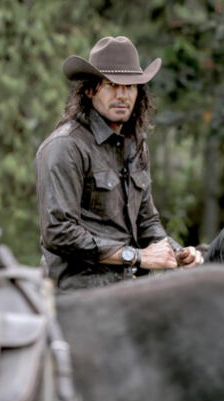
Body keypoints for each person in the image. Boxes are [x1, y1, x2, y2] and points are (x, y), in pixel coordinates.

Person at [35, 36, 203, 290]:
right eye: (112, 85)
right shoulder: (66, 145)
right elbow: (59, 232)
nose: (123, 95)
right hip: (77, 291)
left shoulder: (135, 144)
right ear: (91, 89)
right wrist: (135, 256)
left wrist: (178, 254)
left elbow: (147, 221)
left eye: (131, 87)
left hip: (130, 287)